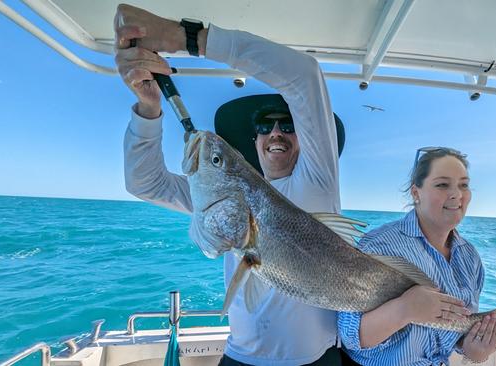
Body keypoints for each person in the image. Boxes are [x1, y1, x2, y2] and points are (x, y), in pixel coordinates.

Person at [114, 4, 344, 365]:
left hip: (317, 359)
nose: (275, 133)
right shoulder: (221, 198)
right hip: (239, 358)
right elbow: (144, 182)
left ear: (305, 139)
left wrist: (187, 38)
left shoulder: (319, 181)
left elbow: (304, 74)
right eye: (264, 128)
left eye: (287, 125)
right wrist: (148, 108)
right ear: (253, 143)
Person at [338, 147, 496, 365]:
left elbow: (457, 331)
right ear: (416, 193)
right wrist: (404, 309)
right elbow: (350, 335)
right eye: (442, 184)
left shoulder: (470, 257)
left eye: (463, 184)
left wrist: (471, 348)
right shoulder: (380, 246)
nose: (457, 194)